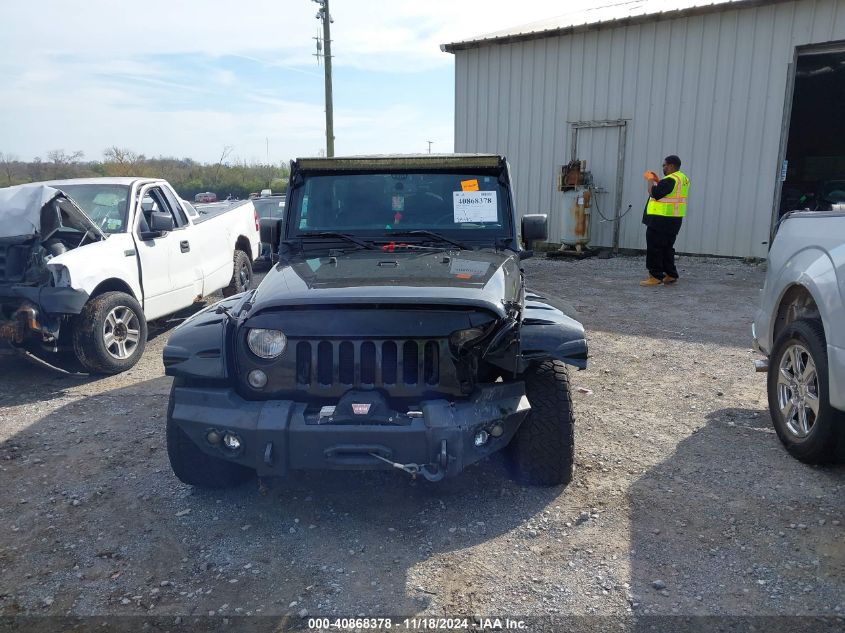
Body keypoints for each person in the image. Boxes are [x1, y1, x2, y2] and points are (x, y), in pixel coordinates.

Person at [640, 155, 690, 286]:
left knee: (654, 247)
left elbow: (654, 193)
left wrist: (650, 180)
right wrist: (658, 182)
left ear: (671, 166)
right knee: (667, 248)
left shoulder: (670, 180)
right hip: (674, 220)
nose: (663, 167)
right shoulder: (682, 179)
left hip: (660, 220)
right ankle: (671, 274)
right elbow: (667, 193)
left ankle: (655, 276)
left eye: (664, 165)